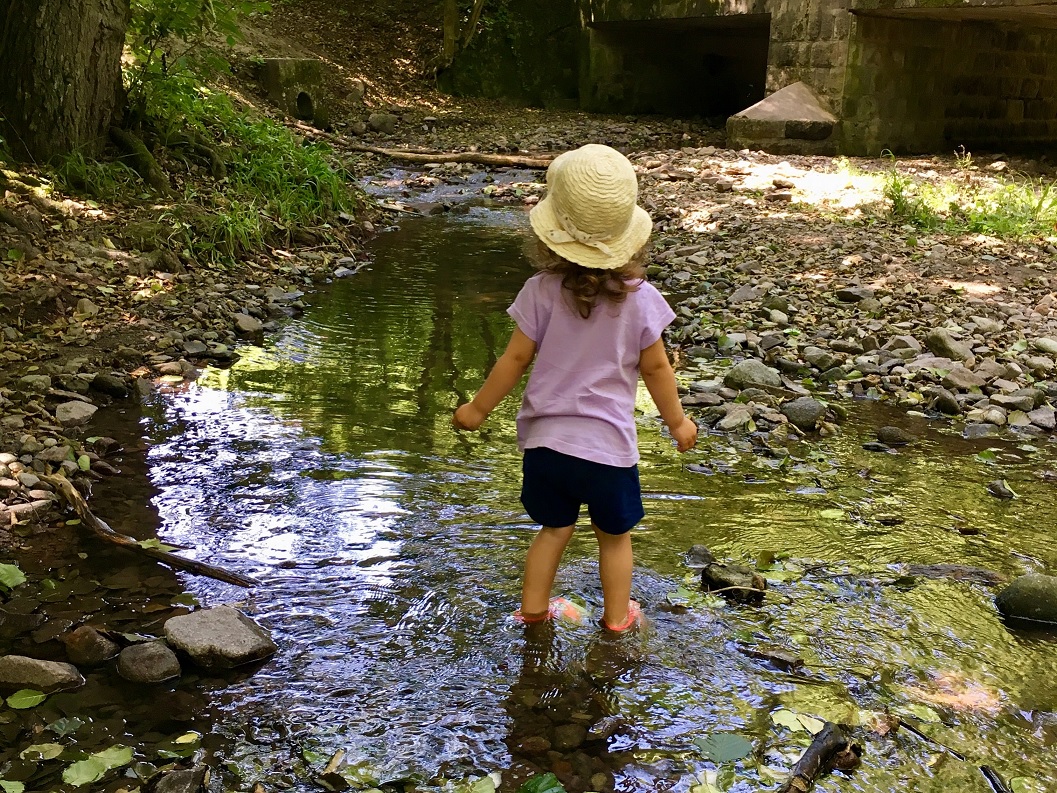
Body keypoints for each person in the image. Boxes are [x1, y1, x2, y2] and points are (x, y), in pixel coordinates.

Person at [453, 143, 697, 632]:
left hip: (547, 445)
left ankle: (535, 613)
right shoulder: (643, 301)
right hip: (608, 450)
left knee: (554, 529)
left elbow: (515, 359)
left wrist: (477, 409)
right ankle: (616, 621)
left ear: (550, 236)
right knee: (614, 537)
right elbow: (657, 371)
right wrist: (678, 421)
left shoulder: (539, 291)